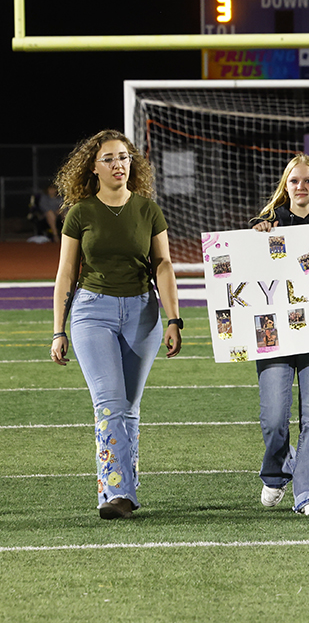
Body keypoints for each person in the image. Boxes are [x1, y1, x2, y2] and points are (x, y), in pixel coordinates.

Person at [49, 129, 183, 520]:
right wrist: (59, 329)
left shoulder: (148, 210)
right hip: (93, 312)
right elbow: (65, 274)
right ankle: (116, 494)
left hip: (143, 313)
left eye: (123, 157)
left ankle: (123, 489)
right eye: (108, 158)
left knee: (128, 407)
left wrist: (175, 319)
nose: (117, 164)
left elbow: (164, 265)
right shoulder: (80, 213)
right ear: (93, 167)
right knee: (109, 405)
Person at [250, 154, 309, 515]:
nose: (301, 187)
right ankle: (275, 473)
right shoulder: (265, 226)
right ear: (284, 186)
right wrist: (255, 235)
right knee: (274, 421)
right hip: (276, 338)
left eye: (308, 181)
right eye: (294, 182)